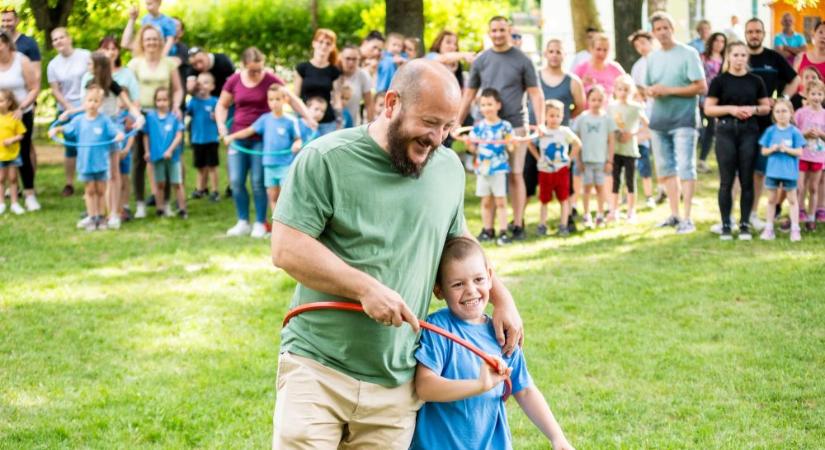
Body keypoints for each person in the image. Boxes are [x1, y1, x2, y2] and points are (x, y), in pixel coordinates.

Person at [270, 59, 523, 448]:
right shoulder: (326, 159)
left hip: (397, 380)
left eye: (448, 126)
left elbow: (458, 243)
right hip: (318, 368)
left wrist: (502, 297)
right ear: (391, 103)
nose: (438, 138)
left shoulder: (448, 169)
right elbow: (287, 247)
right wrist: (364, 288)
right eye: (429, 123)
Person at [410, 237, 574, 450]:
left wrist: (556, 436)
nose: (470, 290)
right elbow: (425, 387)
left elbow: (524, 390)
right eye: (458, 284)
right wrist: (479, 385)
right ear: (439, 290)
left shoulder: (503, 334)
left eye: (478, 279)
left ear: (489, 277)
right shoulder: (438, 329)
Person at [459, 15, 544, 240]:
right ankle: (490, 228)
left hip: (515, 126)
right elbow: (469, 94)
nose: (497, 34)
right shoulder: (481, 60)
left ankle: (517, 224)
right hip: (488, 128)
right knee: (490, 174)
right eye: (493, 30)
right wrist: (457, 122)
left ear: (509, 31)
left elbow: (535, 94)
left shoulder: (523, 60)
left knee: (516, 175)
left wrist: (541, 122)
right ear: (489, 33)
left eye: (501, 30)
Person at [215, 47, 313, 238]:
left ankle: (260, 222)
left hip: (263, 139)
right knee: (236, 181)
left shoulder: (270, 79)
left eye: (260, 69)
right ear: (243, 66)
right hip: (239, 135)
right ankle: (242, 221)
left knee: (259, 182)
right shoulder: (234, 81)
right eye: (253, 70)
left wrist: (308, 117)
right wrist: (221, 126)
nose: (258, 73)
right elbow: (222, 104)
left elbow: (291, 99)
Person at [645, 12, 707, 234]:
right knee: (666, 170)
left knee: (686, 167)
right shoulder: (652, 58)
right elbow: (648, 87)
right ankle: (674, 214)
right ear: (653, 33)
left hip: (684, 120)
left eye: (665, 28)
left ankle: (688, 218)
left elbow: (701, 87)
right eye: (658, 29)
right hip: (659, 121)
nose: (662, 32)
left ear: (672, 28)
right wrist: (651, 91)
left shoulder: (688, 53)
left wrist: (669, 90)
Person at [703, 41, 771, 240]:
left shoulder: (756, 80)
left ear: (747, 58)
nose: (739, 59)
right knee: (726, 180)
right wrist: (731, 109)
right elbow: (709, 108)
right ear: (728, 57)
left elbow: (766, 107)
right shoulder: (719, 81)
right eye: (736, 55)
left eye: (743, 55)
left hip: (749, 131)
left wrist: (753, 109)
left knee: (747, 179)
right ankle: (726, 224)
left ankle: (744, 225)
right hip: (725, 131)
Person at [73, 52, 144, 230]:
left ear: (99, 66)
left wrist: (137, 116)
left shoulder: (112, 85)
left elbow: (128, 104)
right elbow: (85, 106)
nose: (88, 66)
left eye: (90, 64)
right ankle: (94, 214)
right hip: (93, 129)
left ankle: (114, 213)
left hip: (110, 128)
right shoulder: (89, 83)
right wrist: (69, 114)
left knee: (113, 172)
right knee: (92, 170)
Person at [746, 18, 800, 229]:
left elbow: (795, 80)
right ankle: (735, 216)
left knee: (759, 172)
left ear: (763, 33)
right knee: (741, 173)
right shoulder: (740, 56)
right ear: (746, 34)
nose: (754, 35)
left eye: (758, 31)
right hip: (742, 122)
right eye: (750, 32)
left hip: (767, 125)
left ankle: (752, 214)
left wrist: (783, 100)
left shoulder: (773, 57)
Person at [49, 85, 124, 231]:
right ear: (84, 102)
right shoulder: (79, 120)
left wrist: (118, 135)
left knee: (101, 190)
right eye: (89, 100)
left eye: (96, 101)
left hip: (101, 162)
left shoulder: (104, 120)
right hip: (85, 163)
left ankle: (101, 217)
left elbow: (114, 131)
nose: (92, 104)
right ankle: (92, 216)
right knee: (89, 190)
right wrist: (56, 129)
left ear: (100, 104)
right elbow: (67, 128)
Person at [128, 25, 183, 219]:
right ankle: (141, 203)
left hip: (164, 115)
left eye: (154, 39)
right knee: (139, 159)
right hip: (142, 115)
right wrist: (133, 113)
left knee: (164, 158)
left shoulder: (169, 63)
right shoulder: (135, 64)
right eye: (147, 39)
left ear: (160, 41)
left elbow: (177, 89)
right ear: (142, 42)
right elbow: (127, 91)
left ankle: (166, 202)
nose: (151, 42)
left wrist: (176, 106)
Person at [225, 85, 301, 225]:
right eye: (271, 100)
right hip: (269, 165)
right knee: (272, 197)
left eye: (277, 99)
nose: (274, 103)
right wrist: (231, 136)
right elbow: (249, 131)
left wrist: (296, 145)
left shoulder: (291, 121)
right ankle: (277, 226)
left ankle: (292, 225)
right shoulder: (265, 119)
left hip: (284, 164)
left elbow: (298, 139)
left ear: (284, 100)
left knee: (287, 197)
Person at [530, 39, 585, 221]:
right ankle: (520, 221)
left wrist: (562, 122)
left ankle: (567, 218)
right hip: (539, 137)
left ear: (564, 55)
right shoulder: (535, 78)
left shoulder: (573, 81)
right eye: (551, 51)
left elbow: (579, 106)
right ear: (545, 54)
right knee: (531, 180)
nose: (554, 55)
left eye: (558, 51)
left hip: (560, 140)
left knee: (564, 183)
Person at [48, 28, 92, 198]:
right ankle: (69, 183)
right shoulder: (53, 65)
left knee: (87, 146)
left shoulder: (85, 55)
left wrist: (85, 105)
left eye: (61, 37)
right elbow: (55, 90)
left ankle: (90, 181)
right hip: (66, 110)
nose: (58, 41)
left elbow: (93, 80)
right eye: (55, 39)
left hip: (87, 107)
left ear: (69, 38)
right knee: (70, 148)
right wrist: (68, 107)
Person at [467, 88, 514, 245]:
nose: (486, 108)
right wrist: (468, 144)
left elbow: (511, 148)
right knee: (486, 202)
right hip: (483, 170)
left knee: (501, 201)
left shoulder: (505, 126)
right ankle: (487, 230)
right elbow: (473, 149)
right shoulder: (479, 127)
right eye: (483, 105)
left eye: (490, 104)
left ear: (498, 105)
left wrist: (510, 143)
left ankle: (503, 231)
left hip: (499, 169)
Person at [527, 99, 581, 236]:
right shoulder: (542, 131)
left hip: (561, 170)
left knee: (563, 198)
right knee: (544, 199)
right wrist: (538, 157)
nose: (554, 119)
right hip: (545, 170)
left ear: (562, 116)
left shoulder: (564, 132)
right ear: (545, 116)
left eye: (558, 116)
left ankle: (563, 225)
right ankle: (542, 225)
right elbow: (529, 143)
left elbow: (577, 144)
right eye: (551, 115)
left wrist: (570, 158)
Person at [0, 30, 38, 212]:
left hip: (22, 112)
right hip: (1, 116)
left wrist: (21, 108)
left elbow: (34, 88)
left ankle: (29, 194)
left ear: (7, 43)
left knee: (22, 152)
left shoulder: (21, 60)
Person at [758, 99, 806, 241]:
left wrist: (787, 149)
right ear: (773, 114)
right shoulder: (770, 131)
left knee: (792, 200)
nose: (781, 114)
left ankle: (795, 229)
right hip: (773, 171)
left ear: (791, 113)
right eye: (777, 111)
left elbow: (799, 152)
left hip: (789, 172)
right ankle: (769, 228)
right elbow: (764, 151)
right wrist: (772, 148)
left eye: (784, 111)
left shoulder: (795, 132)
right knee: (772, 199)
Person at [572, 85, 616, 228]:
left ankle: (600, 214)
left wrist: (610, 160)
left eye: (599, 100)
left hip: (601, 161)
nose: (596, 103)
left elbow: (611, 141)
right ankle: (586, 215)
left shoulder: (607, 119)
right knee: (586, 189)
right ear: (588, 100)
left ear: (604, 100)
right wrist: (578, 159)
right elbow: (576, 140)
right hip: (586, 161)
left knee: (600, 188)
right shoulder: (581, 119)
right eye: (593, 100)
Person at [608, 75, 648, 223]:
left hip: (630, 150)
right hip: (615, 150)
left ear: (631, 91)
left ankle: (631, 211)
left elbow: (646, 124)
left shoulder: (636, 108)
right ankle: (614, 210)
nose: (623, 92)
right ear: (615, 90)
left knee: (630, 181)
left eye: (626, 89)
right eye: (620, 89)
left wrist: (633, 135)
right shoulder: (611, 107)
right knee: (615, 181)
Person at [143, 87, 186, 219]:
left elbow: (179, 136)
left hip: (173, 157)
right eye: (158, 100)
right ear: (155, 101)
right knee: (159, 183)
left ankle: (183, 209)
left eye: (165, 99)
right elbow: (146, 135)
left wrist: (170, 150)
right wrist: (147, 151)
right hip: (157, 156)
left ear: (170, 101)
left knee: (177, 183)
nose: (161, 103)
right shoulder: (150, 117)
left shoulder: (175, 117)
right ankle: (160, 208)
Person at [628, 30, 659, 209]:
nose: (641, 47)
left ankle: (666, 187)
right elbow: (635, 89)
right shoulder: (637, 66)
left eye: (643, 43)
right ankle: (648, 192)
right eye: (637, 45)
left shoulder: (660, 59)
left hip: (661, 111)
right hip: (645, 113)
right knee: (646, 154)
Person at [295, 28, 341, 136]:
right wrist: (299, 116)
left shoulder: (334, 71)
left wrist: (339, 122)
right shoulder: (302, 68)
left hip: (327, 122)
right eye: (321, 42)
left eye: (328, 43)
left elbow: (337, 100)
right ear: (314, 43)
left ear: (332, 47)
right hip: (304, 120)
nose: (324, 46)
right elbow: (295, 97)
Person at [794, 79, 825, 230]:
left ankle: (811, 217)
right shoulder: (801, 113)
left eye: (819, 94)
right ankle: (798, 213)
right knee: (799, 186)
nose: (816, 97)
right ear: (807, 95)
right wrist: (804, 134)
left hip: (818, 157)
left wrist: (821, 134)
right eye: (813, 94)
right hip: (802, 155)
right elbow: (793, 133)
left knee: (813, 187)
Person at [187, 72, 220, 201]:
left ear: (212, 86)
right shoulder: (193, 102)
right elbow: (186, 113)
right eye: (199, 83)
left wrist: (217, 117)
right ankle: (200, 189)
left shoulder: (215, 102)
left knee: (212, 166)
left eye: (206, 82)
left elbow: (222, 117)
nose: (202, 85)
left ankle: (215, 191)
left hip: (211, 139)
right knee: (200, 167)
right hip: (197, 139)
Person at [697, 32, 727, 173]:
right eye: (716, 41)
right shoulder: (703, 57)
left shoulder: (725, 59)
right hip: (701, 97)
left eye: (722, 41)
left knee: (711, 129)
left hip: (716, 99)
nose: (719, 44)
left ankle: (703, 160)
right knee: (698, 127)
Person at [573, 33, 625, 102]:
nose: (601, 53)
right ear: (591, 49)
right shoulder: (581, 68)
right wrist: (581, 83)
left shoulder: (615, 68)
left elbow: (629, 88)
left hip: (609, 111)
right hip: (586, 111)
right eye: (598, 49)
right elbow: (570, 91)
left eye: (605, 50)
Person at [0, 88, 25, 215]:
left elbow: (21, 134)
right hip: (0, 155)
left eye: (1, 101)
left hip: (13, 154)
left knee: (13, 178)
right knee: (0, 178)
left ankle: (15, 203)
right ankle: (1, 203)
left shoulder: (14, 118)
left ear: (9, 102)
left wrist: (12, 140)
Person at [336, 45, 374, 126]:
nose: (351, 62)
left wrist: (371, 126)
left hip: (351, 125)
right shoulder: (333, 73)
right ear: (341, 58)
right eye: (348, 58)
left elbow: (369, 104)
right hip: (329, 124)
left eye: (354, 59)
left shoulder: (363, 75)